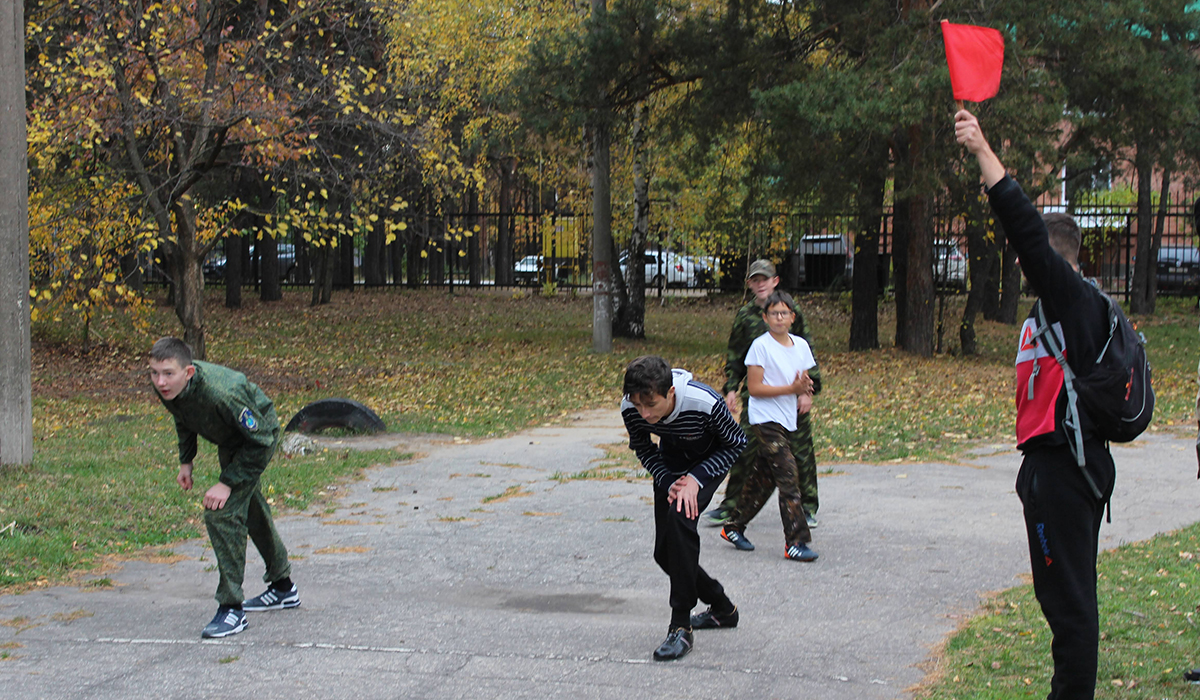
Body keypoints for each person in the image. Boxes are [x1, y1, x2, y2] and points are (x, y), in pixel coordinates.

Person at [957, 110, 1116, 699]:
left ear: (1050, 258)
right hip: (1050, 469)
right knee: (1063, 598)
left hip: (1068, 473)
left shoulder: (1071, 296)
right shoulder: (1052, 309)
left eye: (1029, 256)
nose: (1020, 262)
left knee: (1070, 604)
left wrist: (983, 150)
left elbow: (1021, 222)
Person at [148, 337, 300, 639]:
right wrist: (186, 461)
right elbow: (183, 415)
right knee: (251, 509)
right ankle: (283, 588)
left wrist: (227, 483)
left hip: (257, 436)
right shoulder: (169, 388)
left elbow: (261, 442)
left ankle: (232, 609)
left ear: (188, 372)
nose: (160, 381)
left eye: (168, 373)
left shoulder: (223, 393)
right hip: (231, 439)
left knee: (222, 512)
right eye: (154, 373)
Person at [620, 356, 746, 660]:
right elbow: (644, 448)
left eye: (651, 405)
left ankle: (680, 627)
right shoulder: (631, 408)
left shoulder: (704, 402)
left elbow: (736, 443)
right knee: (664, 553)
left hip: (707, 463)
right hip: (672, 466)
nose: (645, 413)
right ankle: (722, 608)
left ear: (671, 394)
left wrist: (695, 479)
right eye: (638, 405)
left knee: (680, 520)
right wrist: (667, 478)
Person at [704, 259, 822, 529]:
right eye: (755, 280)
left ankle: (808, 506)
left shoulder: (792, 311)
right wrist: (731, 387)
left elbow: (807, 353)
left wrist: (808, 391)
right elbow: (735, 355)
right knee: (743, 449)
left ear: (775, 281)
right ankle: (731, 506)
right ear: (749, 284)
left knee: (800, 453)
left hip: (793, 398)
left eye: (764, 279)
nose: (760, 284)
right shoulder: (746, 317)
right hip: (761, 401)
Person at [718, 291, 818, 562]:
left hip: (787, 420)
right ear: (765, 317)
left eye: (784, 313)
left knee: (764, 478)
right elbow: (754, 389)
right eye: (774, 313)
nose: (779, 318)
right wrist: (792, 389)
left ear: (792, 318)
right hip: (764, 421)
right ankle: (796, 542)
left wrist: (805, 391)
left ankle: (733, 526)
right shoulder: (760, 347)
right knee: (788, 475)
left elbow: (804, 378)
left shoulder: (800, 346)